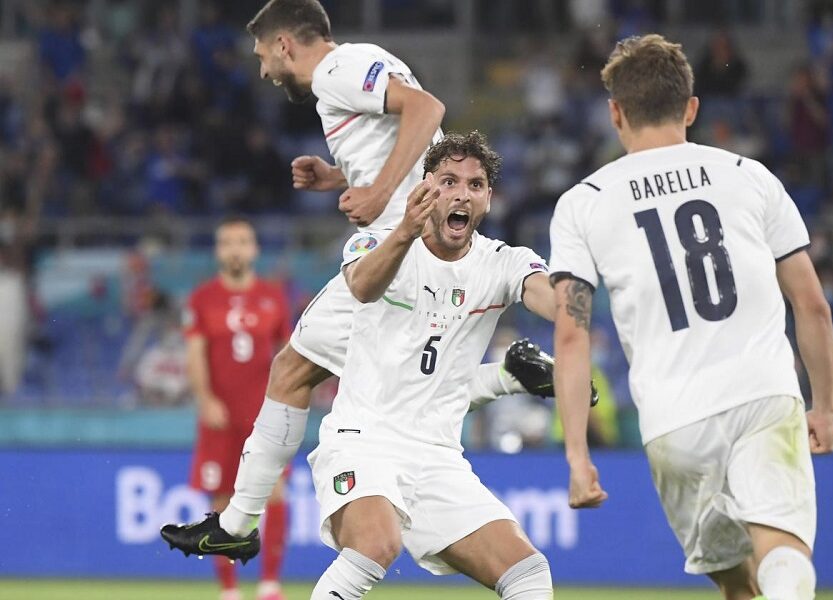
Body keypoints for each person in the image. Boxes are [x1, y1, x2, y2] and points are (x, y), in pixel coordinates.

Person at [162, 0, 556, 566]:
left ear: (284, 44)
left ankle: (237, 523)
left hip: (397, 255)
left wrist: (378, 194)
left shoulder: (336, 71)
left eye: (262, 55)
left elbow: (427, 109)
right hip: (423, 252)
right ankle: (508, 375)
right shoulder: (363, 66)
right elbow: (408, 136)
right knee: (404, 386)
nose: (264, 70)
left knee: (291, 371)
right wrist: (340, 175)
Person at [548, 35, 833, 600]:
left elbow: (570, 335)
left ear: (615, 113)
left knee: (736, 583)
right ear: (691, 108)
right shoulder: (749, 175)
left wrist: (578, 457)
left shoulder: (584, 202)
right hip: (762, 394)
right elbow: (813, 306)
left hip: (674, 419)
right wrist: (824, 407)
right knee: (782, 555)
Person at [306, 132, 557, 599]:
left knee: (528, 572)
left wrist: (581, 299)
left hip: (437, 456)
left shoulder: (503, 263)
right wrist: (405, 230)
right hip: (362, 440)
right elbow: (362, 286)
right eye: (448, 181)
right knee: (377, 544)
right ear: (425, 188)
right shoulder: (379, 241)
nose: (462, 193)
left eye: (475, 185)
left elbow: (552, 298)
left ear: (488, 199)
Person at [183, 217, 291, 600]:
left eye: (242, 241)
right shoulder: (202, 298)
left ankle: (270, 584)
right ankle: (229, 590)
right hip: (220, 417)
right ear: (218, 250)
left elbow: (287, 355)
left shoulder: (273, 297)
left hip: (264, 416)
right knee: (222, 499)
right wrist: (205, 399)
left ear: (254, 249)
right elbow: (194, 353)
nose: (235, 249)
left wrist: (285, 402)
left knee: (274, 492)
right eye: (228, 242)